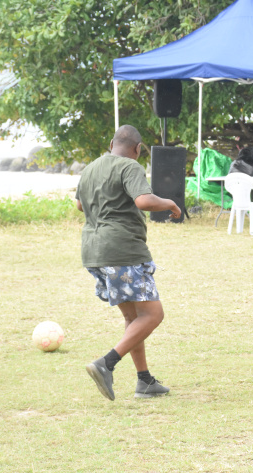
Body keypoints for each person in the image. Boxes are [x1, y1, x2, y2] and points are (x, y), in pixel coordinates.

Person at [76, 125, 182, 401]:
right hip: (123, 250)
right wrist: (170, 203)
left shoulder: (90, 169)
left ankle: (144, 381)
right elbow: (144, 200)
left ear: (111, 143)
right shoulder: (129, 166)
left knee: (133, 317)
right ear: (137, 149)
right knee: (153, 315)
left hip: (93, 250)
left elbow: (79, 205)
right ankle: (106, 363)